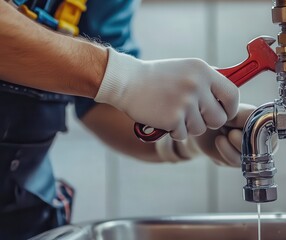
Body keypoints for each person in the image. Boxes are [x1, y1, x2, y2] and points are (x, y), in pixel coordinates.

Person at [0, 0, 255, 239]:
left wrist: (186, 138)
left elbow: (101, 102)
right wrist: (122, 77)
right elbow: (113, 79)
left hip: (27, 213)